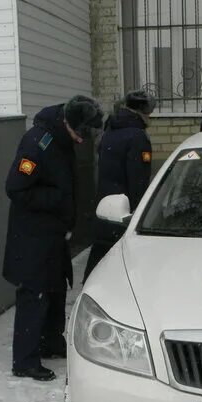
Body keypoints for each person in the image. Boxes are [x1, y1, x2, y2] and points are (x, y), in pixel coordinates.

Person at [3, 95, 103, 381]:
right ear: (70, 123)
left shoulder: (61, 139)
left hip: (53, 233)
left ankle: (50, 343)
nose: (83, 140)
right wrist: (56, 199)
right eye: (82, 133)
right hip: (32, 236)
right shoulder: (38, 143)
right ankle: (24, 361)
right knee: (34, 294)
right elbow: (15, 188)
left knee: (55, 289)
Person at [84, 90, 156, 280]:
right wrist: (139, 213)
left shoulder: (111, 129)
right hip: (124, 209)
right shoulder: (137, 136)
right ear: (143, 111)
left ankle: (91, 281)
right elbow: (138, 179)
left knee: (101, 254)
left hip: (105, 204)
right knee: (122, 262)